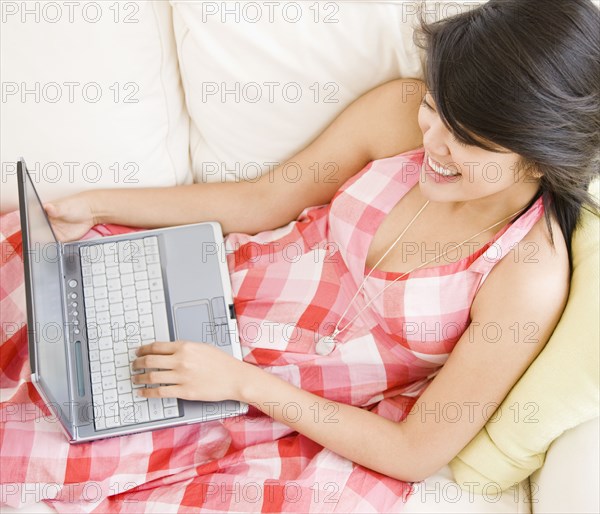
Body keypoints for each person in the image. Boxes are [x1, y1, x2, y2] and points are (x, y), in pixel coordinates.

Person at [29, 0, 600, 499]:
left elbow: (413, 451)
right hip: (212, 289)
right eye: (435, 107)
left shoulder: (527, 273)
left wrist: (239, 383)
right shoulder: (400, 112)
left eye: (468, 141)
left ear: (543, 154)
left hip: (274, 401)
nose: (433, 142)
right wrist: (100, 204)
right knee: (44, 327)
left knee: (57, 444)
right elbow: (264, 200)